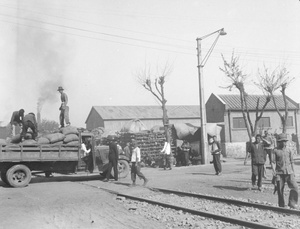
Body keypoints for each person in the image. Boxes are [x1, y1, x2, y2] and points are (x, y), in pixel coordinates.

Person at [271, 133, 298, 209]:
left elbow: (292, 161)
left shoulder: (289, 150)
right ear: (278, 142)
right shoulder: (275, 150)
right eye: (282, 141)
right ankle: (281, 206)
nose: (284, 143)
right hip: (279, 173)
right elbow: (273, 162)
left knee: (295, 187)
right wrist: (274, 172)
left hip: (289, 172)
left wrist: (294, 171)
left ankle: (292, 203)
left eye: (285, 141)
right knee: (280, 190)